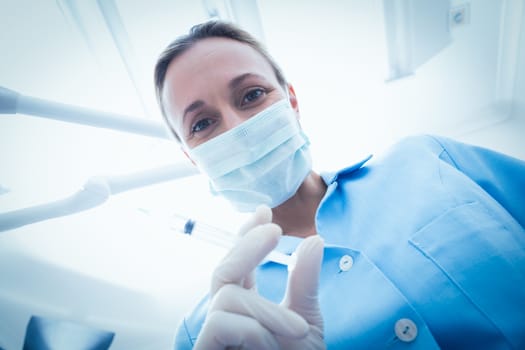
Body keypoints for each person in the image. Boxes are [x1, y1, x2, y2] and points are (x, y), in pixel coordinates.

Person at [154, 20, 525, 349]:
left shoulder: (425, 159)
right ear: (192, 157)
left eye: (252, 95)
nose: (236, 128)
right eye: (202, 124)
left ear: (291, 101)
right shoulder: (208, 331)